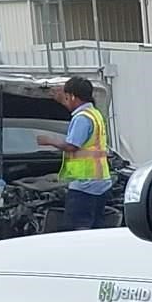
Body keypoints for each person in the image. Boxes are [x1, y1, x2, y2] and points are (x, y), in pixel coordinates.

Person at [36, 76, 112, 229]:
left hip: (84, 186)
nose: (65, 100)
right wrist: (60, 100)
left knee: (77, 231)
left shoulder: (81, 119)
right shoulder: (94, 114)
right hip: (100, 183)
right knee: (95, 231)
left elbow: (72, 146)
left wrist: (48, 140)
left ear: (72, 96)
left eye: (66, 96)